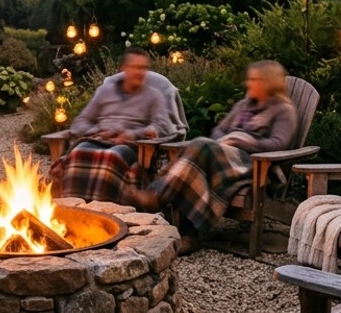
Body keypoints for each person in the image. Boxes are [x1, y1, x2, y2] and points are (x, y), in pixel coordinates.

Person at [123, 60, 297, 244]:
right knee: (194, 169)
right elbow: (219, 132)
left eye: (255, 79)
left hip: (253, 166)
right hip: (225, 158)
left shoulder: (283, 110)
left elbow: (278, 144)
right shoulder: (244, 105)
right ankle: (188, 237)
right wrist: (230, 138)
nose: (249, 83)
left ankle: (156, 195)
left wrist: (240, 139)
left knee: (202, 145)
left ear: (269, 82)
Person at [50, 48, 164, 203]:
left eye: (144, 68)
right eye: (136, 67)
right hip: (98, 139)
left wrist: (134, 134)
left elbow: (160, 126)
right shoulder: (105, 91)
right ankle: (74, 209)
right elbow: (79, 123)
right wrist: (99, 130)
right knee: (77, 154)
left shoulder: (153, 95)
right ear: (123, 68)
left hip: (131, 144)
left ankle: (106, 214)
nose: (140, 72)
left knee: (112, 158)